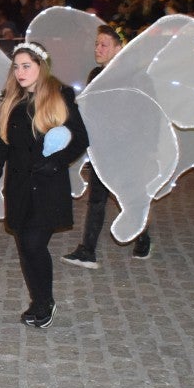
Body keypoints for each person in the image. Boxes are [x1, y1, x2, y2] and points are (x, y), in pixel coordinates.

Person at [0, 41, 89, 328]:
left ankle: (45, 302)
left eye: (26, 66)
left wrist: (57, 161)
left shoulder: (59, 96)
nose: (20, 72)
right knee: (26, 248)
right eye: (16, 67)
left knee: (33, 243)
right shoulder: (11, 101)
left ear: (41, 66)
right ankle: (39, 301)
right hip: (19, 187)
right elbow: (1, 145)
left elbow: (80, 137)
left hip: (47, 185)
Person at [62, 25, 152, 269]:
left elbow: (145, 114)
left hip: (127, 149)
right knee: (97, 198)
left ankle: (142, 237)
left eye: (104, 45)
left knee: (127, 196)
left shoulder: (134, 77)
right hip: (102, 147)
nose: (97, 49)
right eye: (96, 44)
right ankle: (87, 250)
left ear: (118, 48)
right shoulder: (94, 75)